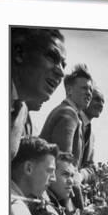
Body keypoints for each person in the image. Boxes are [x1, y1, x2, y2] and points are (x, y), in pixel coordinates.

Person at [40, 64, 94, 208]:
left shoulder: (69, 113)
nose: (89, 93)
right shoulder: (68, 115)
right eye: (84, 88)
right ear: (69, 90)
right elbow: (65, 169)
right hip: (54, 198)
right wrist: (80, 210)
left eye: (90, 89)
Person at [10, 27, 66, 160]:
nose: (61, 72)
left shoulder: (21, 109)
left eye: (63, 64)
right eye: (52, 57)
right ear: (20, 54)